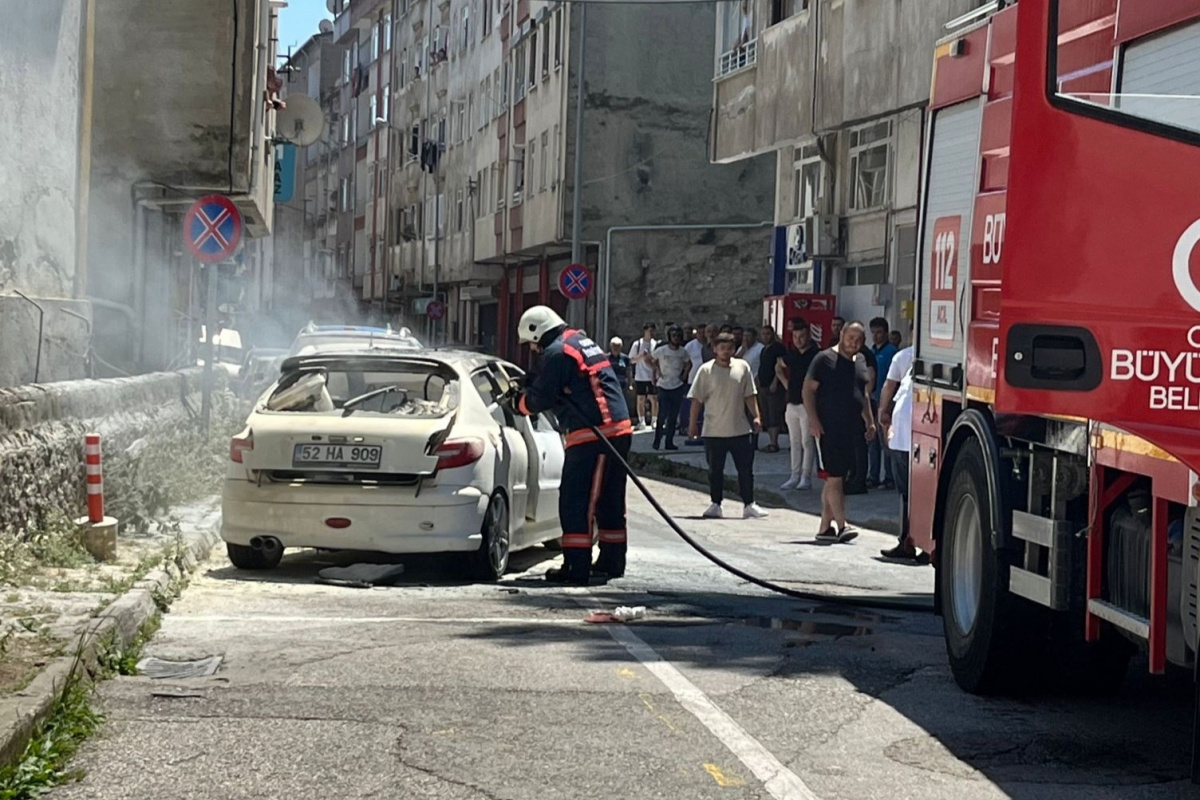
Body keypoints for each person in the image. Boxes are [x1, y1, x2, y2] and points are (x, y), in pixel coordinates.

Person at [514, 306, 633, 583]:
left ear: (538, 332)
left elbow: (540, 399)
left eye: (532, 344)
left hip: (595, 436)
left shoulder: (557, 352)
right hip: (616, 430)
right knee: (609, 501)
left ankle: (575, 568)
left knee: (576, 502)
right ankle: (611, 562)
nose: (533, 350)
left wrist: (518, 403)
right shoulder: (579, 342)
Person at [804, 321, 876, 544]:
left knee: (836, 478)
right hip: (828, 427)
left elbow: (862, 394)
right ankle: (843, 525)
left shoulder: (861, 361)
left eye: (858, 340)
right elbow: (807, 390)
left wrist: (870, 422)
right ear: (842, 335)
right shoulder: (824, 359)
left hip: (851, 427)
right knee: (835, 479)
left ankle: (825, 528)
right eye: (850, 337)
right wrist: (814, 421)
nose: (853, 343)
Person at [689, 333, 769, 520]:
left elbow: (750, 394)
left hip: (740, 430)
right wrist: (693, 425)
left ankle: (749, 504)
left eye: (729, 348)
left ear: (734, 349)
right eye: (721, 348)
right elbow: (696, 400)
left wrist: (757, 416)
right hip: (713, 431)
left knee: (746, 470)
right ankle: (716, 504)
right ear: (715, 349)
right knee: (715, 471)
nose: (725, 351)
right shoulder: (705, 370)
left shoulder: (743, 367)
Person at [878, 333, 925, 562]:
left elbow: (888, 387)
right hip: (909, 437)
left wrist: (882, 413)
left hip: (908, 438)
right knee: (913, 493)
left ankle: (910, 542)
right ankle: (913, 542)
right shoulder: (910, 361)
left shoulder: (907, 358)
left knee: (908, 494)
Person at [776, 317, 819, 490]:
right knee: (794, 441)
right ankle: (794, 475)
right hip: (791, 402)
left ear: (808, 336)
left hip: (807, 404)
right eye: (795, 337)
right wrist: (786, 384)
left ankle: (806, 476)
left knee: (807, 442)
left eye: (801, 336)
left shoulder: (815, 355)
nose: (798, 340)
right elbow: (779, 364)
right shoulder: (792, 354)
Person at [867, 317, 898, 490]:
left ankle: (889, 476)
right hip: (871, 399)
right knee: (872, 441)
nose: (876, 336)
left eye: (879, 332)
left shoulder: (892, 352)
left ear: (886, 333)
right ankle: (873, 475)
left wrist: (889, 404)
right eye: (873, 333)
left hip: (885, 401)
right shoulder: (871, 352)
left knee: (886, 440)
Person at [651, 326, 690, 451]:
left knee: (673, 417)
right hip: (663, 385)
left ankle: (669, 442)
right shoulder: (662, 350)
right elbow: (651, 360)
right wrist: (656, 372)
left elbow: (688, 363)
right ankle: (657, 441)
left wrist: (684, 375)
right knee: (662, 415)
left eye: (678, 336)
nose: (676, 338)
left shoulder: (683, 352)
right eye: (674, 336)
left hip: (677, 385)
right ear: (669, 337)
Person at [757, 325, 787, 453]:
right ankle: (770, 441)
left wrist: (776, 381)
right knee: (766, 415)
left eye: (768, 334)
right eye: (763, 334)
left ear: (773, 334)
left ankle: (774, 443)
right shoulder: (764, 350)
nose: (765, 336)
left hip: (774, 386)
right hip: (763, 385)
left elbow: (780, 366)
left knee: (774, 413)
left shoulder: (778, 348)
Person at [628, 323, 659, 430]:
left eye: (653, 331)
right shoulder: (637, 344)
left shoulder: (655, 344)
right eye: (649, 330)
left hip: (652, 376)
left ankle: (654, 420)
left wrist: (650, 360)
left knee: (654, 399)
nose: (651, 333)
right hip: (640, 376)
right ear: (645, 331)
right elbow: (631, 360)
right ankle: (641, 421)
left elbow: (657, 361)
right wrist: (641, 356)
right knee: (640, 399)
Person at [680, 326, 704, 440]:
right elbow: (684, 360)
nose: (702, 335)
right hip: (693, 378)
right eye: (699, 332)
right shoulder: (690, 345)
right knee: (691, 405)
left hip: (708, 381)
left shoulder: (711, 345)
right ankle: (688, 427)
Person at [608, 336, 635, 420]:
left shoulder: (625, 358)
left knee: (622, 402)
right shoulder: (606, 358)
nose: (616, 348)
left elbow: (628, 371)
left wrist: (630, 384)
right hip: (610, 385)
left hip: (622, 385)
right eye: (614, 346)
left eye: (618, 346)